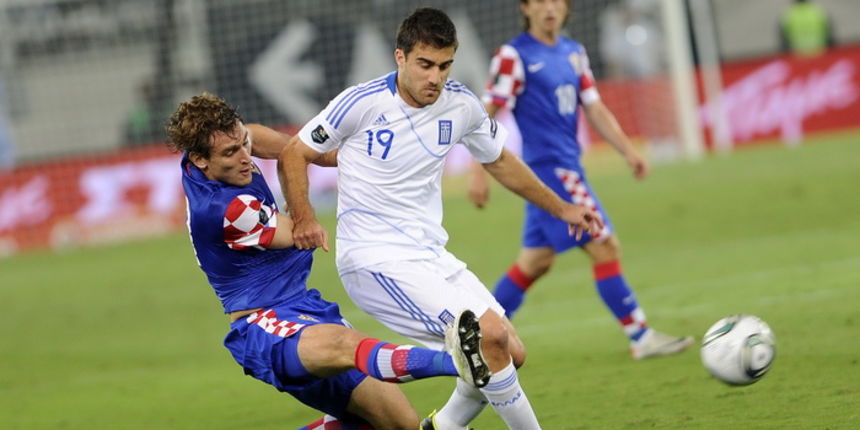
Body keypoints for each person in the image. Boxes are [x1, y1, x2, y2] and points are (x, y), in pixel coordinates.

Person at [280, 8, 603, 430]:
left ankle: (442, 427)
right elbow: (294, 152)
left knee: (510, 351)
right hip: (375, 259)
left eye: (445, 65)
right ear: (400, 57)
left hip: (431, 255)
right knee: (488, 342)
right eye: (425, 64)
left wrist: (562, 208)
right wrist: (304, 218)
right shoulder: (362, 103)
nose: (435, 77)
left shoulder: (461, 105)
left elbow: (500, 160)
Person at [165, 92, 491, 430]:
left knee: (400, 425)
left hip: (302, 305)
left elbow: (256, 135)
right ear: (201, 159)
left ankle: (463, 360)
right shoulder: (227, 211)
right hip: (263, 326)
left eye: (242, 144)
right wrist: (321, 182)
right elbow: (300, 232)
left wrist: (319, 156)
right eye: (231, 153)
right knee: (345, 344)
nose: (246, 157)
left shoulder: (206, 155)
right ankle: (459, 359)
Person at [470, 0, 693, 360]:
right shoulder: (514, 55)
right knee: (605, 246)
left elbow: (595, 107)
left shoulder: (574, 52)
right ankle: (640, 336)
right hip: (549, 171)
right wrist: (477, 173)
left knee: (535, 262)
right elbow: (484, 116)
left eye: (556, 0)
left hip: (567, 167)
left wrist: (628, 151)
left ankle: (480, 337)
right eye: (539, 2)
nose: (549, 8)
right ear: (525, 8)